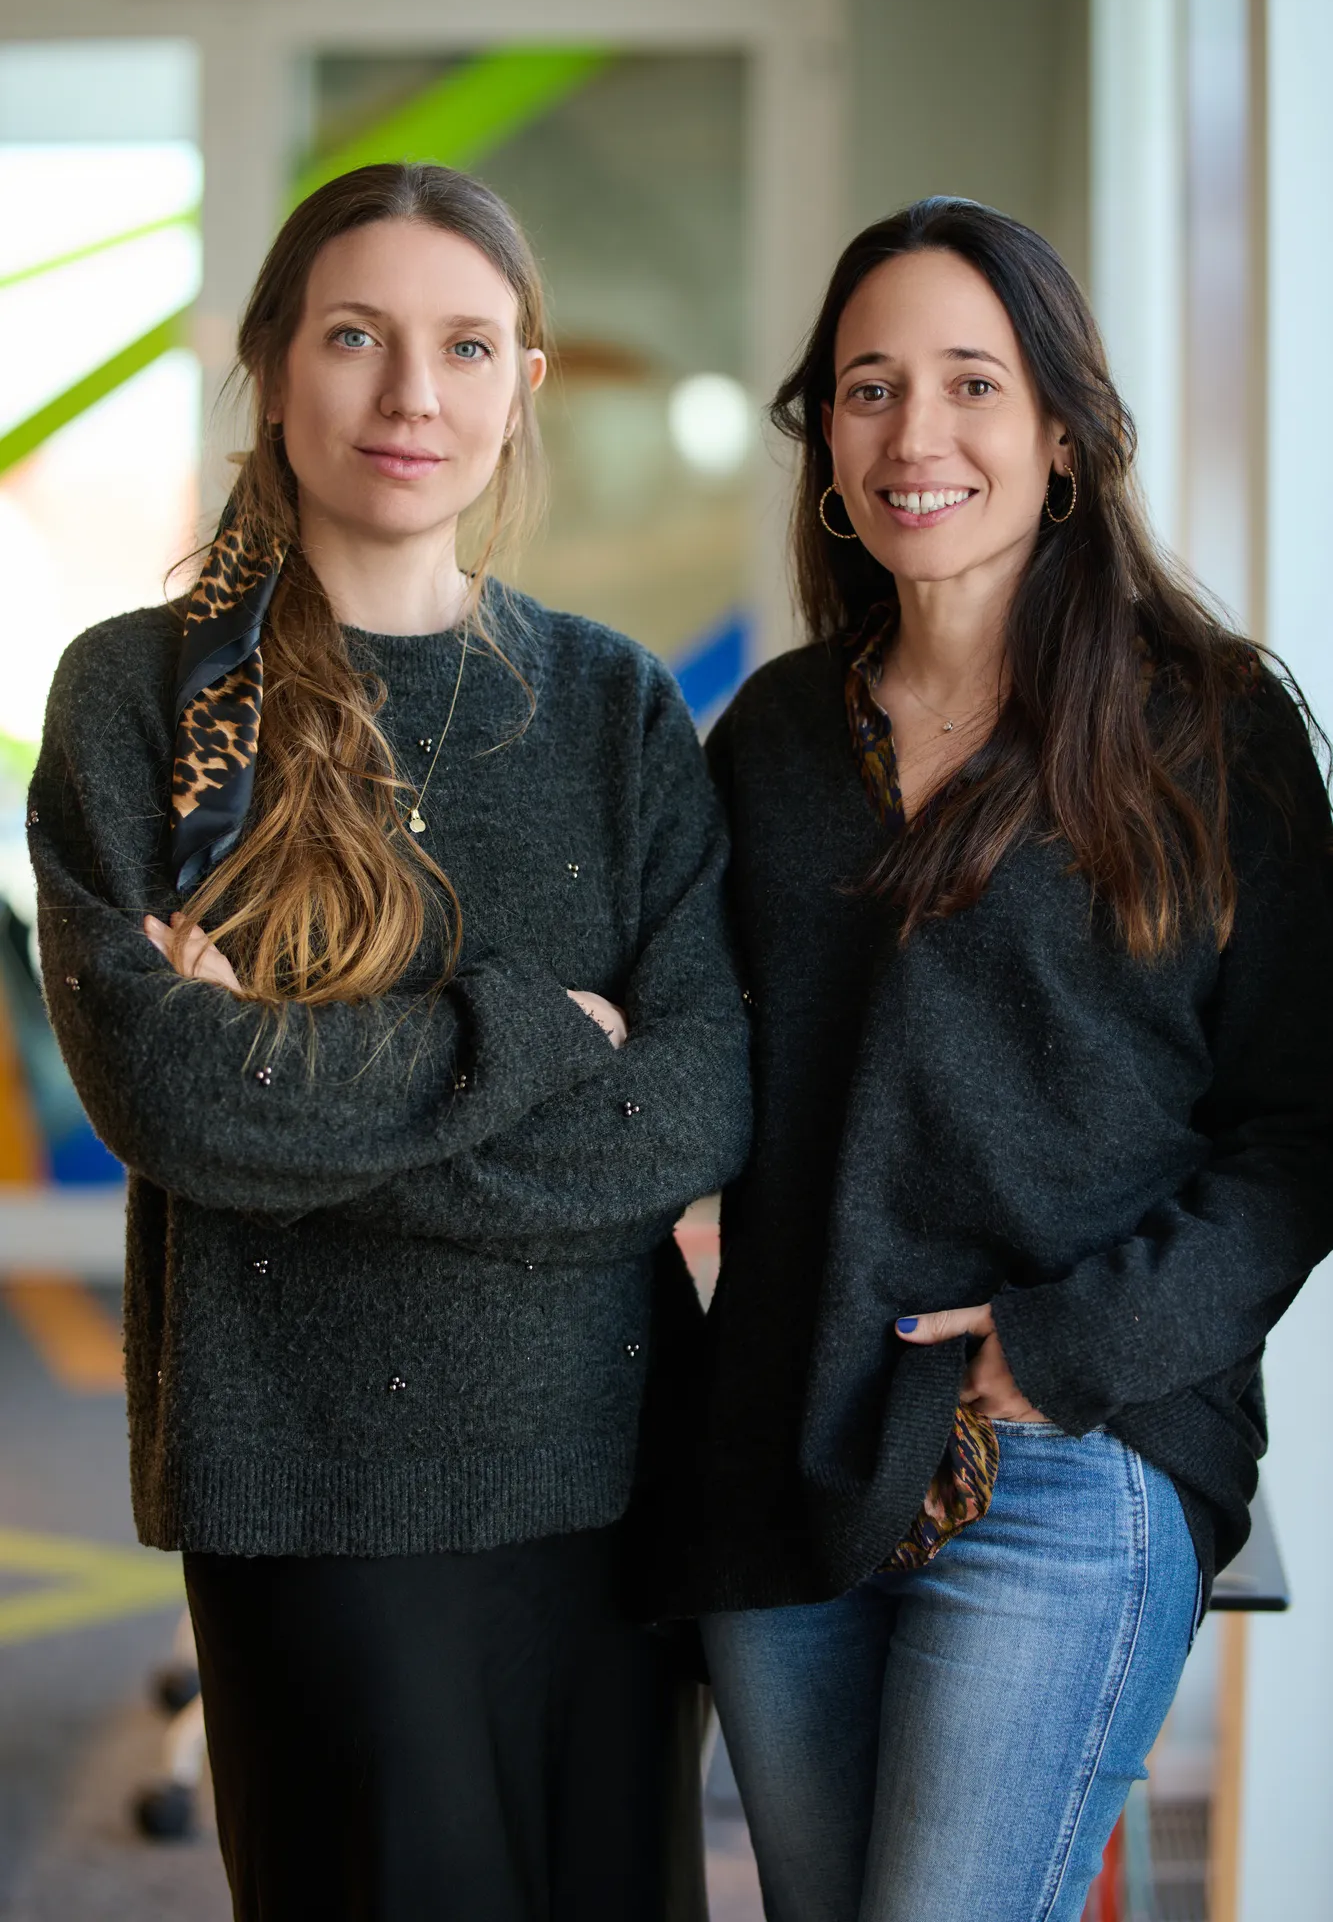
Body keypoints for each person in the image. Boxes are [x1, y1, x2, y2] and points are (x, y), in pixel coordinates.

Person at [27, 160, 750, 1922]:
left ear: (519, 389)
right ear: (276, 369)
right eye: (357, 337)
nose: (413, 394)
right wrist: (536, 1035)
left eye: (467, 346)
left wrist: (321, 1093)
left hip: (607, 1485)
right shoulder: (146, 698)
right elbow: (179, 1099)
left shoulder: (610, 704)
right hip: (312, 1487)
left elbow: (698, 1098)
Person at [693, 196, 1333, 1922]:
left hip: (1072, 1450)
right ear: (823, 440)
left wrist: (1065, 1350)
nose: (918, 434)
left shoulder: (1211, 726)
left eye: (973, 383)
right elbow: (689, 1051)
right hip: (787, 1452)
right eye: (869, 386)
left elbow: (1304, 1128)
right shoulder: (767, 739)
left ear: (1062, 433)